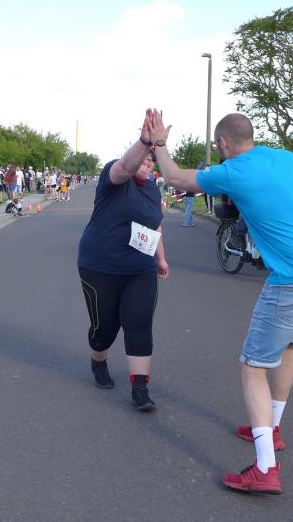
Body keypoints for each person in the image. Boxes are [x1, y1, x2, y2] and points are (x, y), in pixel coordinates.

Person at [150, 110, 293, 495]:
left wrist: (159, 143)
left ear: (223, 143)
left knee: (253, 365)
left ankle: (264, 469)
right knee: (289, 346)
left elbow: (173, 177)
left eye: (217, 146)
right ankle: (272, 429)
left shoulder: (234, 171)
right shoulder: (288, 159)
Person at [77, 109, 169, 411]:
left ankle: (140, 388)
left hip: (139, 268)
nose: (147, 161)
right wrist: (145, 141)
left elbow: (155, 224)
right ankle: (98, 360)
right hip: (99, 265)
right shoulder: (114, 177)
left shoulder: (152, 190)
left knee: (139, 322)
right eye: (144, 156)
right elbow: (126, 166)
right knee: (105, 328)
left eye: (151, 159)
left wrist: (161, 258)